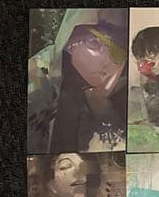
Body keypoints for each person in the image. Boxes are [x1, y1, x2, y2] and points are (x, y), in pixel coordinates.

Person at [43, 18, 128, 152]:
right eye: (94, 43)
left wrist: (99, 101)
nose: (109, 65)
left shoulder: (76, 84)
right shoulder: (43, 76)